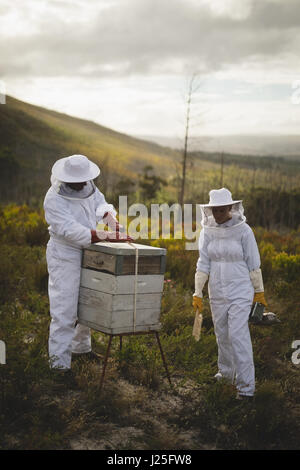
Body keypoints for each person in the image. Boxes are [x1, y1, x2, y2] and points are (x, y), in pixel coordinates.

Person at [44, 154, 131, 378]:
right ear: (66, 179)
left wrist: (110, 218)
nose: (83, 183)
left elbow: (99, 202)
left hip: (90, 249)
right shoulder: (53, 198)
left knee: (87, 299)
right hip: (65, 252)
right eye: (78, 181)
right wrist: (105, 235)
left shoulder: (88, 185)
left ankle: (81, 349)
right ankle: (59, 366)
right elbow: (70, 230)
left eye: (85, 179)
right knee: (65, 308)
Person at [192, 188, 267, 400]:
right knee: (222, 334)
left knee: (238, 335)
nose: (218, 214)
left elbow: (253, 263)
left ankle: (246, 388)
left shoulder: (244, 231)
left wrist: (259, 293)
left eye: (222, 210)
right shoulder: (207, 232)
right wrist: (198, 292)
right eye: (214, 210)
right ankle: (226, 375)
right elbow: (203, 263)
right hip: (216, 290)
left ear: (231, 208)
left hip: (241, 290)